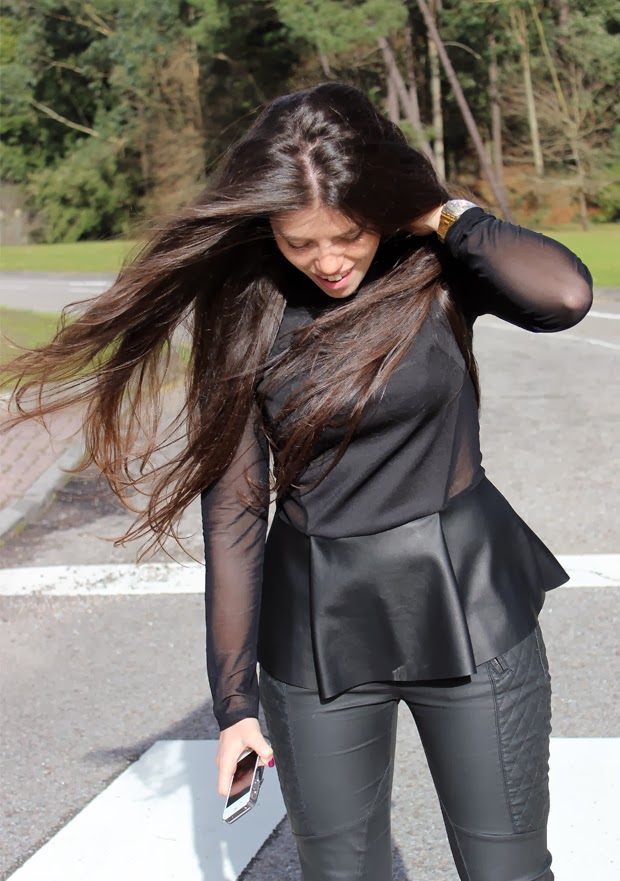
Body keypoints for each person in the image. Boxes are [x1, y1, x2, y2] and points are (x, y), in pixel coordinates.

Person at [3, 82, 593, 881]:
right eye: (300, 241)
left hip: (471, 603)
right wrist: (234, 706)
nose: (329, 261)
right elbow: (236, 510)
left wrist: (438, 210)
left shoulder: (435, 266)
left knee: (508, 871)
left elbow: (564, 295)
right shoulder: (244, 311)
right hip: (316, 624)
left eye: (348, 233)